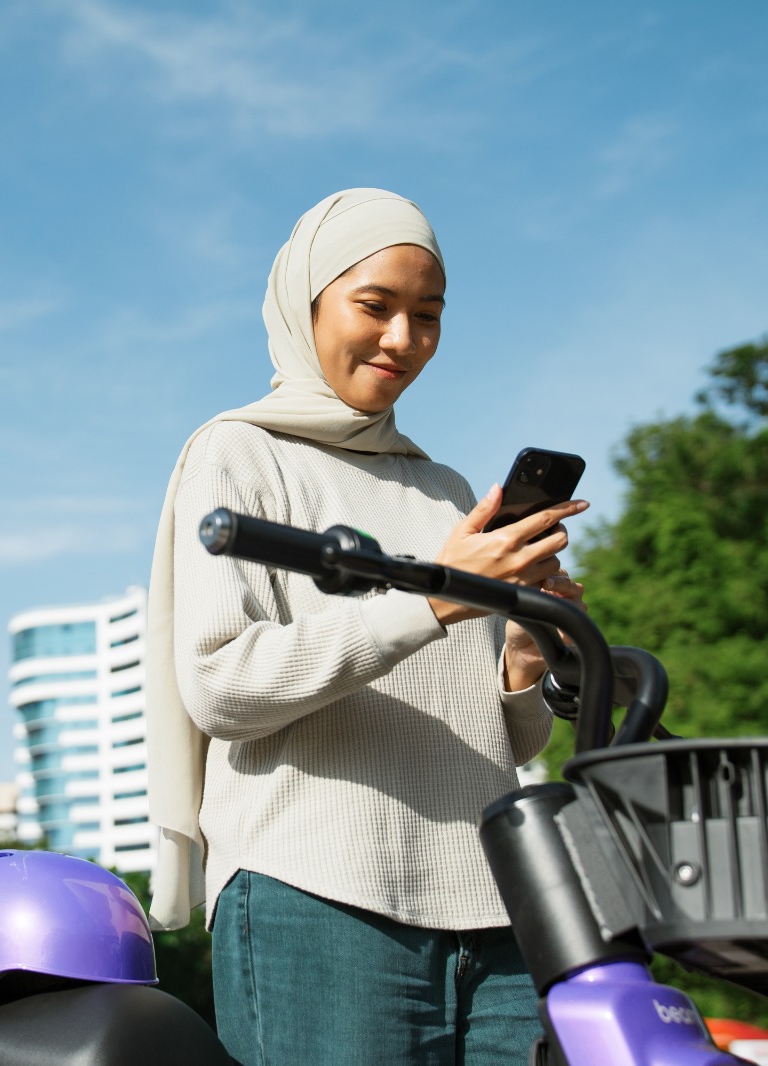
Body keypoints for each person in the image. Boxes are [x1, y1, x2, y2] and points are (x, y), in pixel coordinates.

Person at [143, 188, 588, 1065]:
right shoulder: (239, 452)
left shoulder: (450, 493)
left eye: (427, 317)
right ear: (305, 301)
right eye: (375, 306)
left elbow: (511, 737)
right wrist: (428, 603)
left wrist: (526, 653)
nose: (402, 340)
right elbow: (222, 686)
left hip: (495, 912)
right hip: (318, 902)